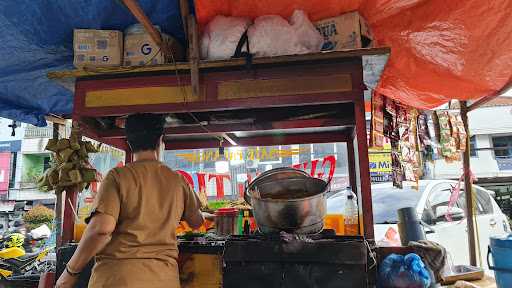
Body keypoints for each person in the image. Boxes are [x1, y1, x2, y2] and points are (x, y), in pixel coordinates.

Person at [56, 113, 205, 288]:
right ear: (160, 140)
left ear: (129, 141)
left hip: (118, 279)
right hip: (164, 279)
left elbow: (101, 229)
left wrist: (70, 272)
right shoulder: (178, 180)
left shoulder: (118, 177)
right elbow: (197, 221)